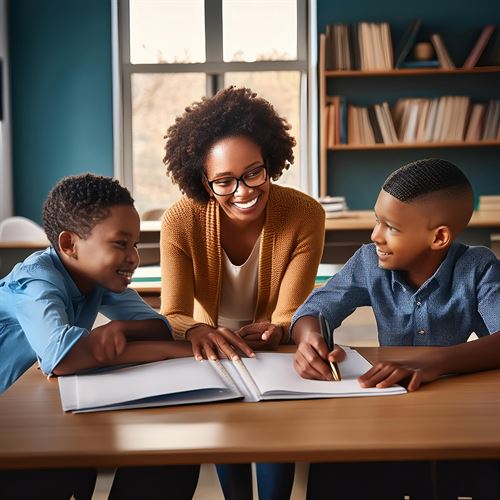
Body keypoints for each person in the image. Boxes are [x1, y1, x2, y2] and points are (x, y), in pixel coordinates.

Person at [292, 158, 500, 499]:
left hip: (458, 418)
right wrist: (309, 337)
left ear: (439, 237)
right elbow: (313, 309)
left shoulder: (478, 268)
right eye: (378, 220)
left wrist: (432, 363)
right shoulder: (368, 262)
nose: (375, 235)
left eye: (392, 227)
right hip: (387, 414)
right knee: (331, 468)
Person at [161, 86, 325, 500]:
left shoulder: (305, 215)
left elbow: (290, 311)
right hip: (213, 347)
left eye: (254, 172)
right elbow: (174, 313)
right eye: (224, 181)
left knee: (275, 455)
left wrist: (278, 329)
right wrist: (198, 330)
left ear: (269, 162)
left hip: (276, 350)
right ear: (203, 181)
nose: (244, 191)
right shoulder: (180, 221)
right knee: (229, 450)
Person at [0, 173, 199, 500]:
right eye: (120, 243)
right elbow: (63, 357)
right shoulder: (36, 281)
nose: (133, 257)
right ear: (69, 245)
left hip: (47, 412)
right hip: (12, 434)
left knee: (172, 458)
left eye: (134, 244)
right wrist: (170, 351)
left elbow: (156, 327)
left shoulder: (98, 277)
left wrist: (122, 331)